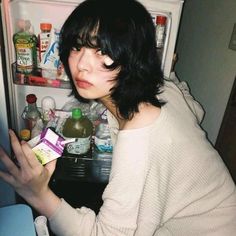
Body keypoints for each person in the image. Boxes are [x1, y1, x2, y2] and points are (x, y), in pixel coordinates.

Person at [0, 0, 236, 235]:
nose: (82, 64)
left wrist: (38, 194)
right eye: (77, 46)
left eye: (104, 51)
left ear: (132, 57)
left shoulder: (140, 142)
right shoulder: (162, 89)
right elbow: (196, 110)